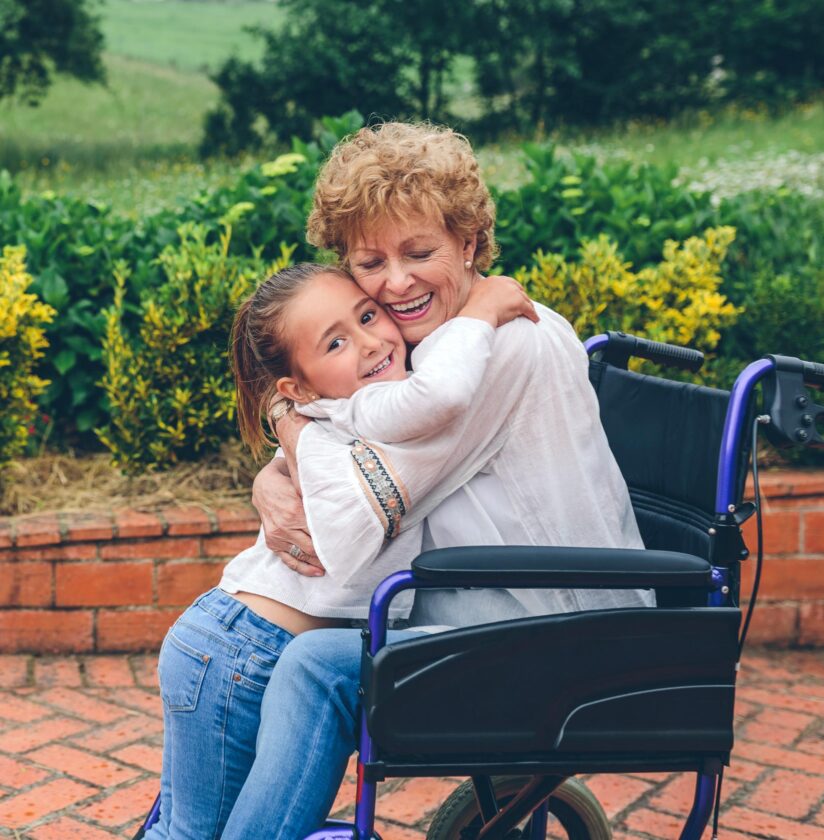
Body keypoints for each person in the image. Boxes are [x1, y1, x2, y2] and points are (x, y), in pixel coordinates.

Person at [220, 121, 654, 839]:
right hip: (505, 611)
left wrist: (289, 431)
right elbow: (363, 425)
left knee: (312, 668)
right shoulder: (447, 346)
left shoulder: (501, 347)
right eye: (369, 262)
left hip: (559, 630)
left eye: (420, 252)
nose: (396, 284)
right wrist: (276, 463)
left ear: (470, 244)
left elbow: (366, 493)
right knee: (314, 658)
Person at [146, 261, 537, 839]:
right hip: (243, 650)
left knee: (187, 830)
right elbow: (436, 399)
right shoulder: (379, 416)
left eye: (368, 315)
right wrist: (479, 313)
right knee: (193, 833)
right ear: (297, 388)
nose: (370, 342)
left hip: (231, 640)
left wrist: (285, 424)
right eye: (335, 342)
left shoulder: (355, 409)